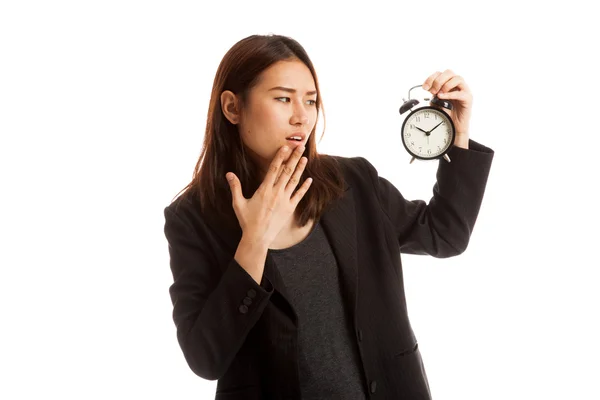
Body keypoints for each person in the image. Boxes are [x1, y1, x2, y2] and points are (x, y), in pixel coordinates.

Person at [163, 33, 494, 400]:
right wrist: (253, 241)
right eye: (283, 98)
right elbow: (205, 358)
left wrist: (458, 133)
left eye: (311, 100)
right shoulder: (192, 217)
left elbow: (444, 234)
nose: (301, 116)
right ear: (232, 107)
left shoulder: (352, 182)